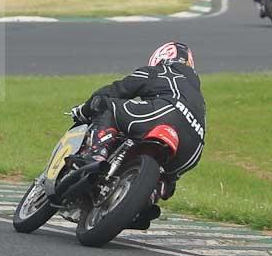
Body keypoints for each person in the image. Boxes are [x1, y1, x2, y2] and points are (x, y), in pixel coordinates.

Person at [69, 41, 205, 229]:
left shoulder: (159, 71)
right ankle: (147, 199)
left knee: (108, 105)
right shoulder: (196, 91)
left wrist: (84, 109)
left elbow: (116, 90)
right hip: (194, 146)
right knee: (167, 175)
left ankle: (95, 157)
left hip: (162, 113)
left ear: (160, 57)